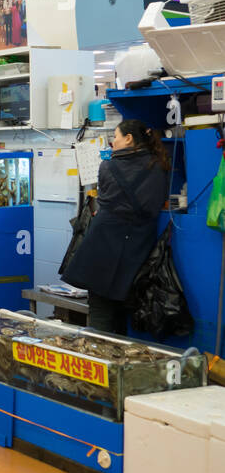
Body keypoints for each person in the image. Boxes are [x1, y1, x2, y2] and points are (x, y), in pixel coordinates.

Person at [63, 120, 170, 334]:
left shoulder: (109, 166)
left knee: (101, 314)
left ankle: (98, 361)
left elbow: (106, 202)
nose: (114, 141)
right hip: (138, 251)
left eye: (117, 136)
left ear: (129, 138)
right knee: (123, 316)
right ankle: (120, 364)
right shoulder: (160, 168)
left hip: (103, 248)